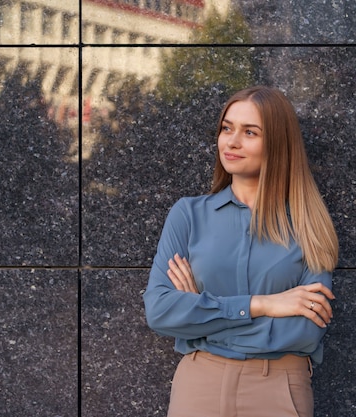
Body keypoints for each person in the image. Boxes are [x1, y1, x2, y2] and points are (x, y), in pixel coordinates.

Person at [143, 85, 339, 417]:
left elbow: (304, 331)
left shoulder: (308, 224)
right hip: (198, 387)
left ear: (277, 144)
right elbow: (161, 311)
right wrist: (264, 305)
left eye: (250, 132)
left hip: (278, 389)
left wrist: (200, 320)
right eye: (226, 128)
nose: (231, 141)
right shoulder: (188, 215)